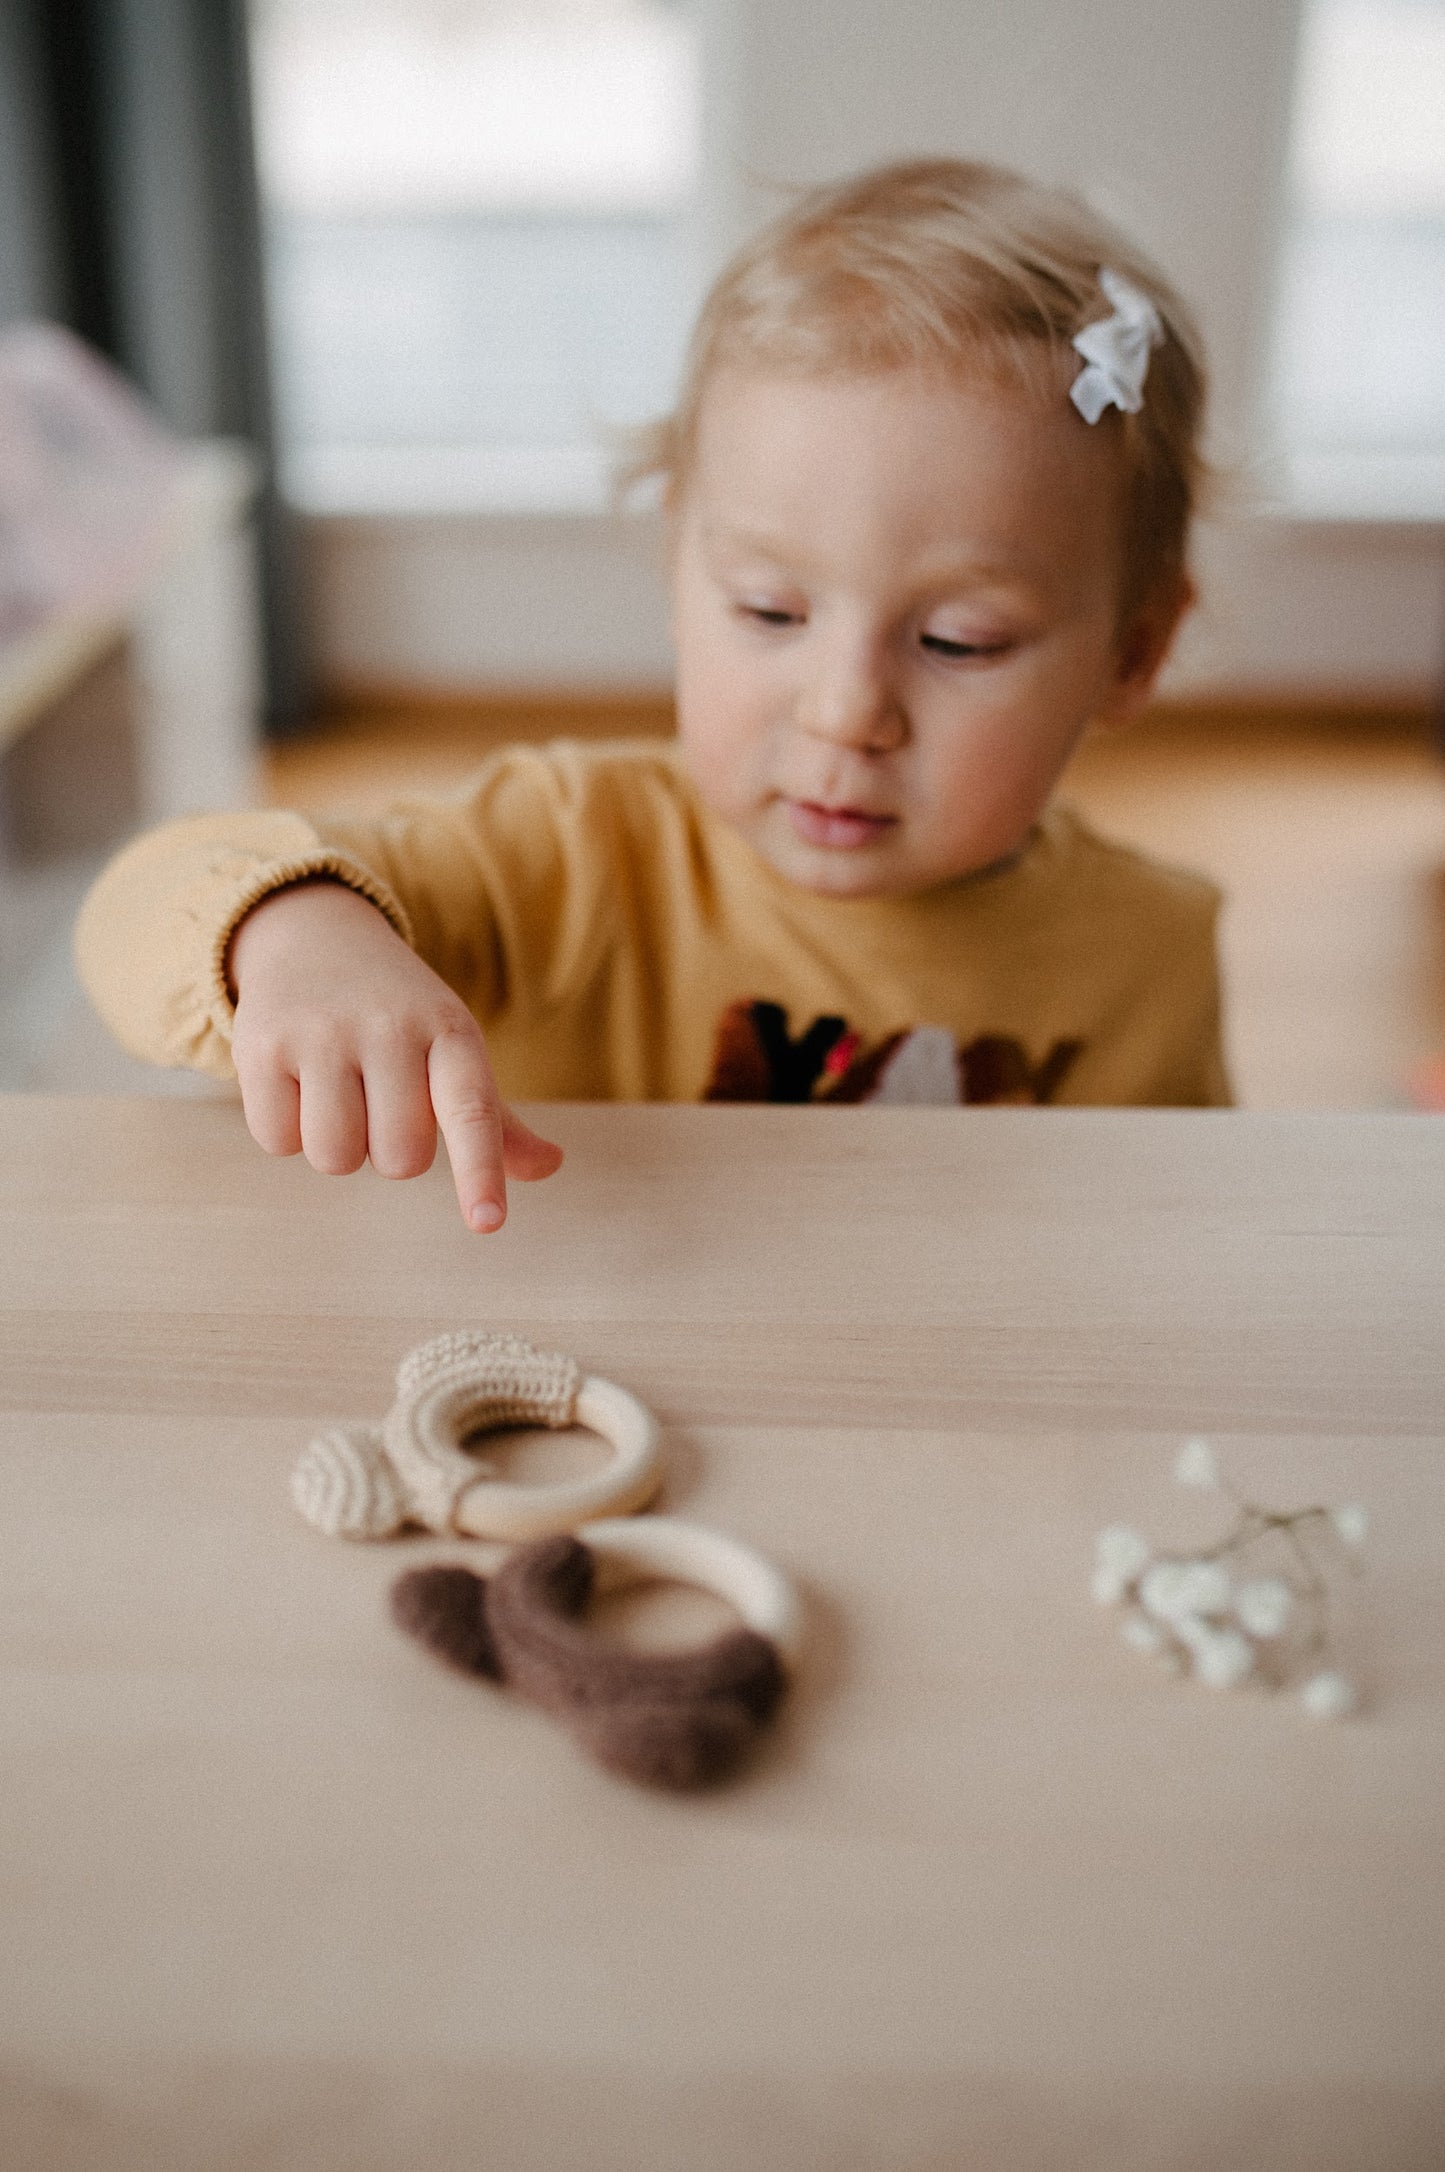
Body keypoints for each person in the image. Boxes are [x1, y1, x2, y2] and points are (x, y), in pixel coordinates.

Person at [76, 158, 1229, 1234]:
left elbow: (1171, 1246)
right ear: (677, 574)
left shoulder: (1149, 953)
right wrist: (288, 936)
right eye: (771, 613)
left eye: (955, 640)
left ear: (1131, 653)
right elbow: (137, 900)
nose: (843, 712)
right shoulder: (569, 853)